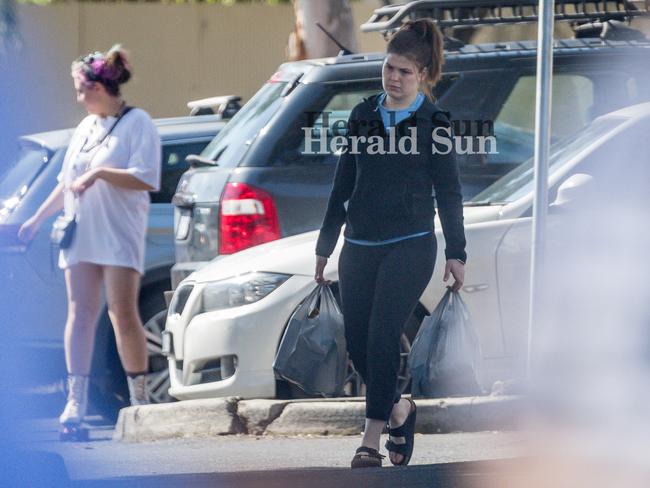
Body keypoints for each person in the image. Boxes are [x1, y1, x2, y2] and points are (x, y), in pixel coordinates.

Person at [314, 19, 467, 468]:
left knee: (382, 336)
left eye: (403, 71)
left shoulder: (433, 122)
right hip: (359, 245)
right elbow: (343, 181)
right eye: (388, 68)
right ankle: (399, 409)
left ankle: (370, 438)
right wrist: (325, 244)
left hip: (411, 245)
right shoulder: (363, 114)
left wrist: (457, 252)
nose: (393, 78)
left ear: (421, 75)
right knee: (359, 343)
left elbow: (450, 191)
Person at [18, 45, 161, 438]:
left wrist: (100, 173)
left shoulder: (138, 123)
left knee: (122, 313)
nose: (79, 97)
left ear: (101, 86)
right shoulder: (85, 128)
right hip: (81, 231)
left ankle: (139, 401)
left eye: (83, 89)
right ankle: (74, 402)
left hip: (119, 232)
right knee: (79, 313)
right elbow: (67, 181)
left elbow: (147, 177)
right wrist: (35, 219)